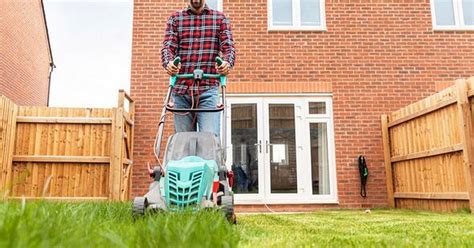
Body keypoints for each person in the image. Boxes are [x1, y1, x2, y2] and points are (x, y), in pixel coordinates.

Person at [161, 0, 236, 137]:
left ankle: (211, 159)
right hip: (181, 90)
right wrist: (169, 63)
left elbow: (228, 47)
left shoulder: (219, 19)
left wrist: (226, 63)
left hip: (207, 89)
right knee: (183, 140)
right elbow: (168, 47)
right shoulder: (176, 19)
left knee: (209, 138)